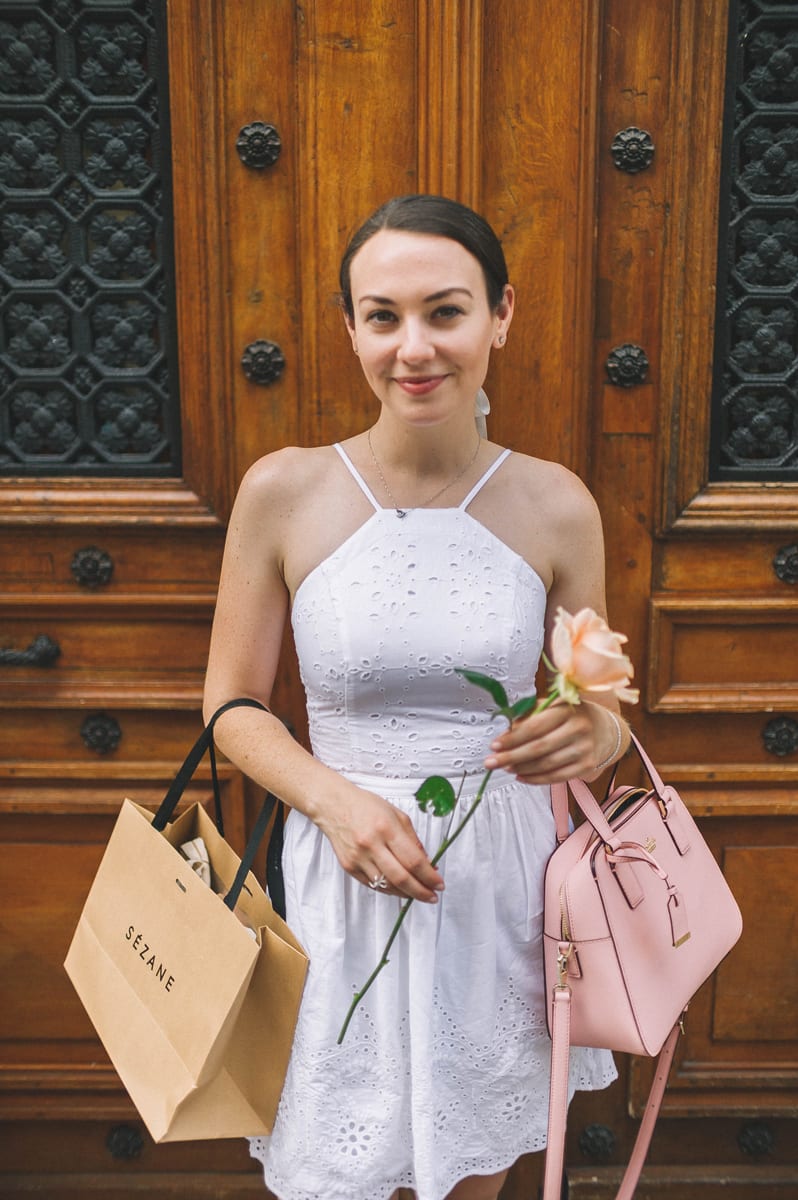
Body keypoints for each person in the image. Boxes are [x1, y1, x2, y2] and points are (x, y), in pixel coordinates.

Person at [203, 194, 628, 1200]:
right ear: (349, 327)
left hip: (499, 886)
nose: (415, 347)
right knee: (334, 1167)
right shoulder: (285, 492)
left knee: (474, 1171)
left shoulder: (559, 503)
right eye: (383, 316)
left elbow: (599, 709)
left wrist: (589, 731)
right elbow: (229, 704)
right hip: (336, 877)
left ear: (500, 317)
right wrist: (335, 802)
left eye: (446, 311)